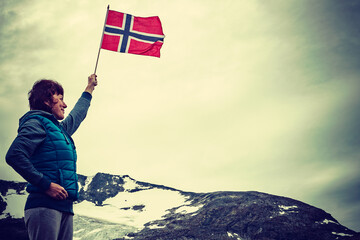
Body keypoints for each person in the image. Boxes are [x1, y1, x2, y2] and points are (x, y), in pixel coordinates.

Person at [6, 74, 98, 240]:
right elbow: (14, 155)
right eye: (60, 98)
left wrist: (89, 88)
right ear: (46, 101)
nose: (65, 104)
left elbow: (77, 116)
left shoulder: (59, 130)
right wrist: (46, 185)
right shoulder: (37, 123)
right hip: (44, 205)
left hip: (65, 207)